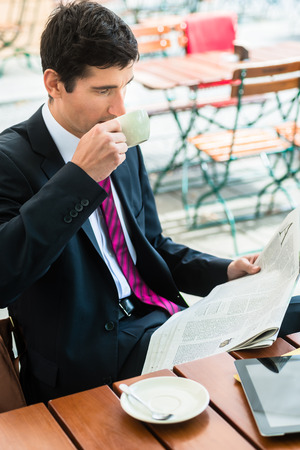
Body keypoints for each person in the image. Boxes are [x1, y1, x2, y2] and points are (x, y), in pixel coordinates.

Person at [0, 1, 298, 405]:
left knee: (289, 315)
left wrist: (225, 271)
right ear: (54, 83)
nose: (120, 108)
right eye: (104, 90)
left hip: (162, 322)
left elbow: (151, 245)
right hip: (90, 357)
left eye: (126, 85)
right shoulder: (11, 161)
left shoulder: (120, 138)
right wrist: (79, 177)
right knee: (234, 391)